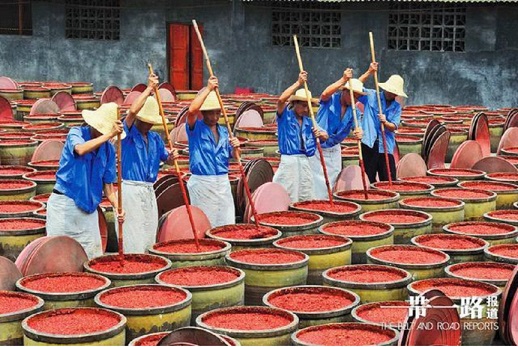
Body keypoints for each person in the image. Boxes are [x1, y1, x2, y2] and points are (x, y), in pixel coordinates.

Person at [46, 102, 125, 259]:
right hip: (65, 205)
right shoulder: (76, 133)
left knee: (91, 258)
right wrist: (109, 135)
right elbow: (80, 149)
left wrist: (118, 207)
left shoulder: (108, 150)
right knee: (61, 257)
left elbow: (108, 187)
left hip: (89, 209)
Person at [120, 73, 179, 253]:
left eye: (150, 122)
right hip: (130, 188)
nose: (147, 125)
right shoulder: (127, 135)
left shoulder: (155, 139)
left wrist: (171, 157)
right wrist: (149, 88)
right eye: (144, 121)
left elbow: (165, 158)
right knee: (132, 233)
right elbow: (131, 113)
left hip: (148, 188)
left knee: (148, 232)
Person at [186, 76, 240, 227]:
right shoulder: (195, 128)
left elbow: (235, 157)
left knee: (226, 224)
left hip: (222, 182)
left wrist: (236, 148)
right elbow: (191, 111)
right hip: (203, 183)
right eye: (211, 113)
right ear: (203, 113)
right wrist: (208, 89)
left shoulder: (224, 132)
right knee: (205, 225)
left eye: (218, 113)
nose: (215, 117)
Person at [274, 71, 328, 203]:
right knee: (287, 192)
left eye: (308, 106)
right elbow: (281, 100)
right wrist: (298, 83)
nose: (306, 109)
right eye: (303, 105)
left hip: (305, 161)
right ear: (295, 104)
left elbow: (326, 136)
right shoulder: (285, 117)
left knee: (305, 193)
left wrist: (320, 135)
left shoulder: (309, 122)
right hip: (289, 160)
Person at [311, 68, 364, 199]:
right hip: (317, 147)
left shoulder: (354, 111)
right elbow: (324, 94)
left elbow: (358, 128)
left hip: (334, 148)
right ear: (344, 92)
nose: (354, 99)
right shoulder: (330, 100)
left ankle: (330, 203)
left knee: (334, 179)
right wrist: (343, 79)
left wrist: (359, 133)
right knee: (317, 181)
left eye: (357, 97)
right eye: (352, 95)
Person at [358, 62, 407, 182]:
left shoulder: (396, 107)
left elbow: (394, 126)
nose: (391, 93)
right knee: (368, 179)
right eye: (390, 90)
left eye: (394, 92)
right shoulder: (371, 96)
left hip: (386, 147)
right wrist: (369, 72)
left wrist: (385, 122)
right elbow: (355, 86)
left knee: (389, 178)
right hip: (369, 143)